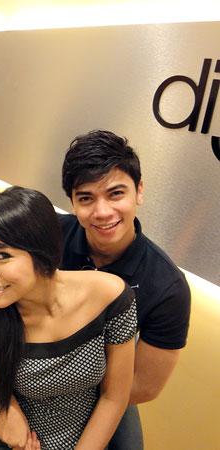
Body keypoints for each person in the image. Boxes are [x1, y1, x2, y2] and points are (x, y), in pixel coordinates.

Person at [0, 186, 137, 450]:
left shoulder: (109, 298)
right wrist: (6, 407)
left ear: (42, 251)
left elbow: (114, 398)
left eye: (2, 255)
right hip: (14, 441)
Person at [59, 130, 191, 450]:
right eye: (86, 198)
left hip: (109, 391)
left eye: (115, 194)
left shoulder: (167, 286)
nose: (103, 212)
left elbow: (143, 385)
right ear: (72, 203)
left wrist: (60, 394)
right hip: (31, 375)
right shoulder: (46, 238)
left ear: (139, 191)